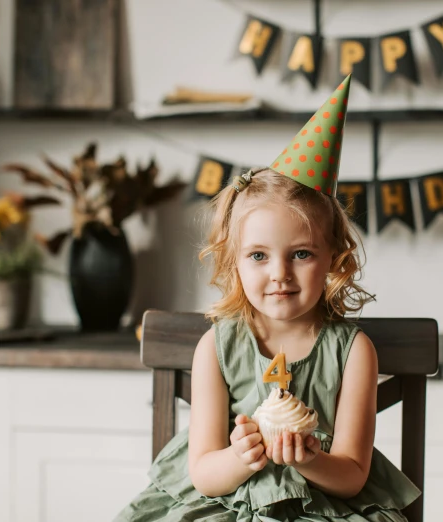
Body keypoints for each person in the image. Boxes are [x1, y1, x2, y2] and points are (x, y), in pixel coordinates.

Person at [114, 75, 421, 522]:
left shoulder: (354, 352)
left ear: (333, 258)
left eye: (301, 253)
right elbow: (203, 473)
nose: (279, 274)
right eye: (258, 255)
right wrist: (242, 457)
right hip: (226, 506)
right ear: (234, 260)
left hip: (324, 509)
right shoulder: (216, 348)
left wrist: (308, 459)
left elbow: (353, 475)